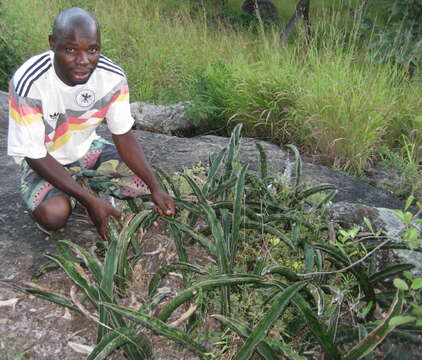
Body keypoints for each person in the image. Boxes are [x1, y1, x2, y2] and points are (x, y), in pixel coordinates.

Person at [7, 7, 175, 240]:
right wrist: (91, 203)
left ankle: (82, 183)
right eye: (70, 50)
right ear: (52, 43)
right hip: (45, 161)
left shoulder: (112, 78)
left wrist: (155, 186)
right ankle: (82, 190)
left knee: (146, 187)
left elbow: (123, 135)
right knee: (54, 215)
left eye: (92, 50)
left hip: (89, 152)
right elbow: (34, 154)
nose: (83, 61)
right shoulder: (29, 82)